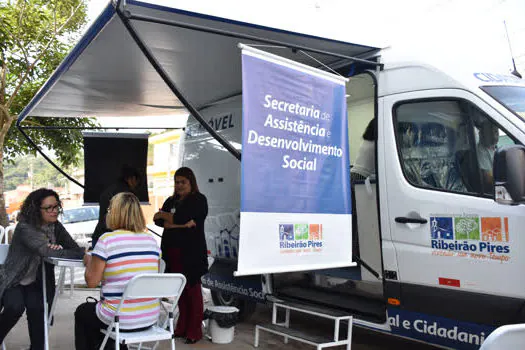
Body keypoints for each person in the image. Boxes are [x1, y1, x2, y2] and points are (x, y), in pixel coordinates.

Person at [0, 188, 86, 349]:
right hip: (14, 279)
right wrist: (54, 250)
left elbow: (73, 249)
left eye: (56, 207)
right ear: (35, 209)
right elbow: (45, 251)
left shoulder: (55, 226)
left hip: (37, 280)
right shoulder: (25, 227)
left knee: (38, 308)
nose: (54, 212)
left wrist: (68, 251)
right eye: (49, 208)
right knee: (14, 307)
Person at [75, 192, 161, 350]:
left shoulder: (107, 240)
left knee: (83, 312)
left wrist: (89, 261)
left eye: (108, 210)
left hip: (119, 318)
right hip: (149, 317)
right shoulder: (151, 241)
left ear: (114, 214)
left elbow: (92, 282)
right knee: (101, 313)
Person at [154, 167, 208, 344]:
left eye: (183, 182)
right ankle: (181, 327)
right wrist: (180, 224)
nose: (179, 185)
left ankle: (195, 330)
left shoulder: (199, 200)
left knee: (193, 291)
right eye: (177, 182)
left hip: (191, 254)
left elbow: (181, 217)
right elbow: (158, 219)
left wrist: (171, 220)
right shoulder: (171, 200)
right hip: (173, 253)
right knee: (180, 293)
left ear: (191, 182)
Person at [91, 165, 141, 248]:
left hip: (99, 235)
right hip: (115, 240)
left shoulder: (110, 189)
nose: (136, 185)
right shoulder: (127, 195)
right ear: (131, 179)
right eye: (137, 181)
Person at [476, 121, 499, 191]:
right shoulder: (481, 151)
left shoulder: (493, 148)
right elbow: (488, 178)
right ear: (481, 134)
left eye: (496, 132)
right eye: (490, 132)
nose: (494, 136)